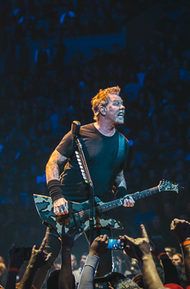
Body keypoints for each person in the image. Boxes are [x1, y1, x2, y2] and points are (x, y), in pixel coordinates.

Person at [45, 86, 136, 276]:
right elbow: (53, 162)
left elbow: (119, 176)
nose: (123, 107)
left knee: (105, 262)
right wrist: (56, 196)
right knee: (48, 255)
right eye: (117, 103)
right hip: (69, 207)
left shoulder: (123, 143)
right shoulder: (79, 134)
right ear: (102, 109)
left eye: (123, 103)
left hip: (99, 208)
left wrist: (123, 194)